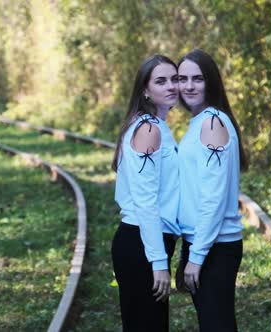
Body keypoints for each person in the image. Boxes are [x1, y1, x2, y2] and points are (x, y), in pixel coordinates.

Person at [175, 48, 248, 332]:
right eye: (183, 78)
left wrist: (196, 256)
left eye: (198, 78)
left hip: (215, 247)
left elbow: (214, 198)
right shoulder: (201, 121)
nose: (189, 86)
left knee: (217, 325)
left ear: (211, 82)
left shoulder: (213, 123)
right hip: (204, 242)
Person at [110, 54, 182, 331]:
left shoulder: (155, 125)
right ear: (145, 90)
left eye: (174, 79)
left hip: (145, 242)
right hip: (141, 244)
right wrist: (159, 261)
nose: (171, 86)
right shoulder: (149, 129)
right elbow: (145, 201)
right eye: (161, 81)